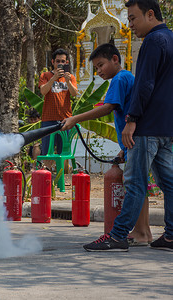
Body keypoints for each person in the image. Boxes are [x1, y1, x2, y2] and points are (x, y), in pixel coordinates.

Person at [83, 0, 173, 252]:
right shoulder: (171, 39)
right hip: (166, 127)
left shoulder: (153, 42)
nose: (130, 25)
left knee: (134, 183)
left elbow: (145, 85)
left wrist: (131, 120)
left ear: (151, 14)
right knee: (170, 183)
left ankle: (118, 236)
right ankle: (171, 235)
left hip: (147, 127)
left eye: (133, 18)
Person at [62, 43, 152, 246]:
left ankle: (139, 232)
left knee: (134, 187)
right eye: (96, 68)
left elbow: (109, 107)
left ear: (115, 59)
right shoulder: (128, 76)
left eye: (101, 65)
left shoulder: (119, 79)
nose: (99, 71)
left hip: (135, 139)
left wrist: (75, 118)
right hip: (133, 141)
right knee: (140, 187)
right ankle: (142, 232)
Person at [39, 49, 78, 161]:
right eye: (57, 61)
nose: (60, 63)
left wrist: (68, 80)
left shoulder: (70, 77)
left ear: (66, 62)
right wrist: (53, 78)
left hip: (66, 120)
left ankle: (62, 177)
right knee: (47, 152)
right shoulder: (45, 75)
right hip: (48, 119)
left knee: (64, 154)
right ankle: (46, 175)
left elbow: (74, 93)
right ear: (53, 62)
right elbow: (43, 91)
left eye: (63, 61)